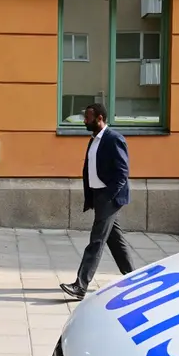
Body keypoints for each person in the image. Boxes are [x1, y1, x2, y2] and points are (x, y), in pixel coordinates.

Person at [60, 103, 135, 300]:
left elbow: (122, 173)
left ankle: (80, 285)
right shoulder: (93, 140)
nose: (85, 121)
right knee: (115, 240)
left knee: (97, 240)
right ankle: (133, 277)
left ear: (100, 118)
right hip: (99, 195)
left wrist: (108, 196)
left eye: (88, 118)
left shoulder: (114, 139)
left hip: (109, 197)